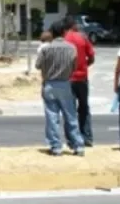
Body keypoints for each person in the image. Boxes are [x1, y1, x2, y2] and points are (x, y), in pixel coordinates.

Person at [35, 21, 85, 156]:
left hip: (50, 83)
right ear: (64, 32)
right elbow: (74, 66)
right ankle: (78, 145)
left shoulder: (46, 49)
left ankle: (56, 146)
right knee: (71, 115)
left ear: (52, 33)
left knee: (52, 116)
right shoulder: (71, 48)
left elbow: (38, 65)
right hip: (65, 83)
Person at [63, 15, 96, 147]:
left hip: (68, 78)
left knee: (69, 110)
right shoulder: (83, 37)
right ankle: (87, 137)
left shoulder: (64, 39)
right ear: (74, 25)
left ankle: (72, 140)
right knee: (84, 108)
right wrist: (84, 66)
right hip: (82, 77)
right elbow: (92, 57)